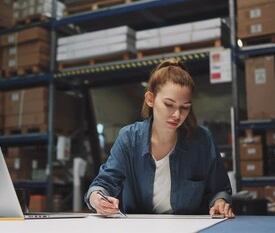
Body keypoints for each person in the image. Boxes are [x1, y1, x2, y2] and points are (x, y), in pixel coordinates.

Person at [84, 58, 235, 218]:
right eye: (169, 104)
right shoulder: (129, 139)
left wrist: (220, 203)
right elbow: (103, 183)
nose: (177, 115)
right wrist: (98, 199)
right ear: (150, 99)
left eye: (185, 107)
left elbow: (219, 189)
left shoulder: (202, 140)